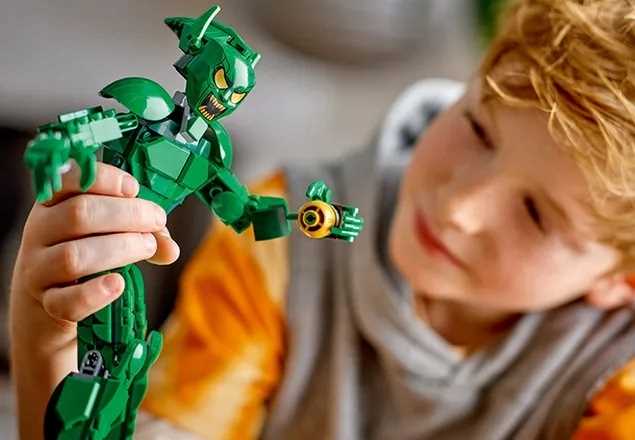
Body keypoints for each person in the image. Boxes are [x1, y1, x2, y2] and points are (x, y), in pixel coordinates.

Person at [10, 0, 635, 438]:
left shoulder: (616, 379)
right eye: (477, 128)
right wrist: (45, 356)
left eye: (535, 214)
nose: (458, 207)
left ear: (623, 279)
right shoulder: (281, 265)